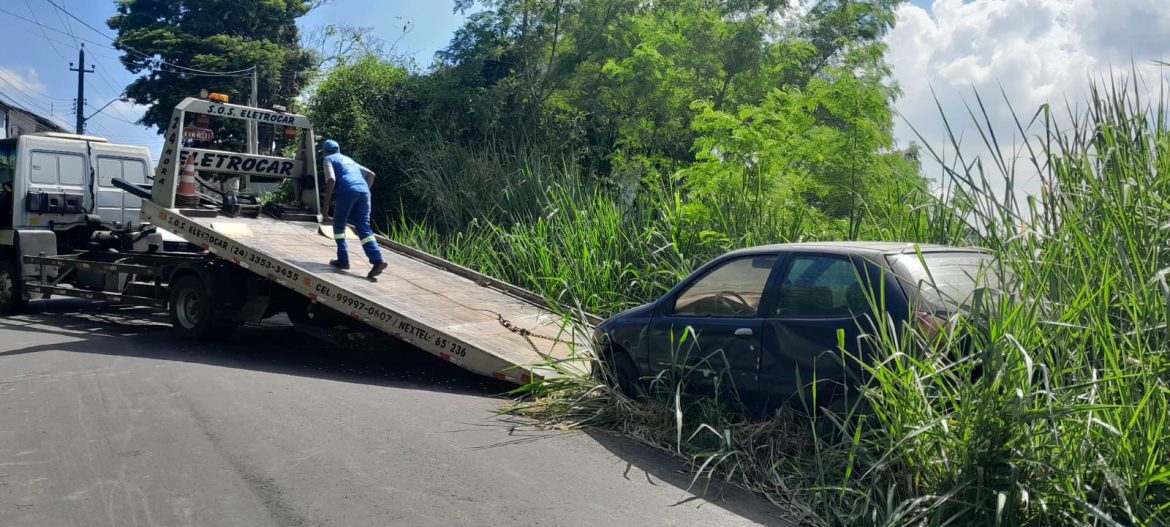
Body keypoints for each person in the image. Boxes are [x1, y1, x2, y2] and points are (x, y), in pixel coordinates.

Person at [320, 139, 388, 279]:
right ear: (338, 150)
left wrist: (325, 208)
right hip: (364, 192)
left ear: (325, 151)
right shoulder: (349, 160)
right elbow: (371, 175)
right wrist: (361, 192)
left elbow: (331, 180)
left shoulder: (328, 159)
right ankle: (377, 259)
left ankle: (343, 260)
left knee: (339, 226)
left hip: (347, 191)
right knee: (364, 227)